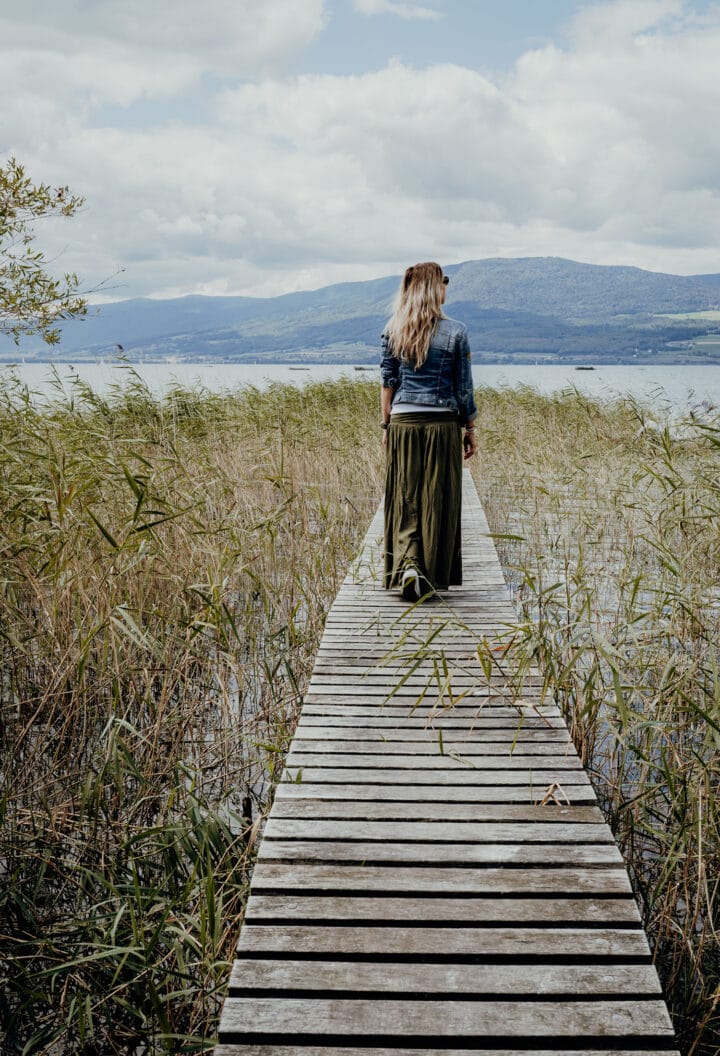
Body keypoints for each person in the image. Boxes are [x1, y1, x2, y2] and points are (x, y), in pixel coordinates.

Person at [380, 261, 477, 602]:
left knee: (405, 495)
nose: (448, 287)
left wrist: (386, 425)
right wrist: (470, 428)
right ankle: (429, 570)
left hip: (404, 422)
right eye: (445, 281)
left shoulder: (394, 329)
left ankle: (408, 564)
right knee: (437, 496)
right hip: (441, 425)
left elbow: (388, 383)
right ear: (435, 287)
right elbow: (463, 388)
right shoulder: (456, 333)